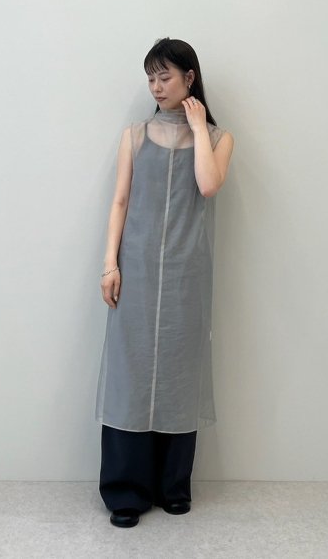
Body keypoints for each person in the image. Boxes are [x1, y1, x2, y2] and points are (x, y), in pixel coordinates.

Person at [95, 37, 234, 528]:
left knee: (179, 374)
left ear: (188, 78)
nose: (155, 87)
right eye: (150, 78)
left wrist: (197, 126)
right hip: (134, 270)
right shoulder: (134, 135)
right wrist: (110, 264)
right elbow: (120, 201)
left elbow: (208, 185)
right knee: (130, 375)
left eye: (165, 76)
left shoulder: (218, 138)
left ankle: (173, 486)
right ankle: (125, 491)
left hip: (185, 275)